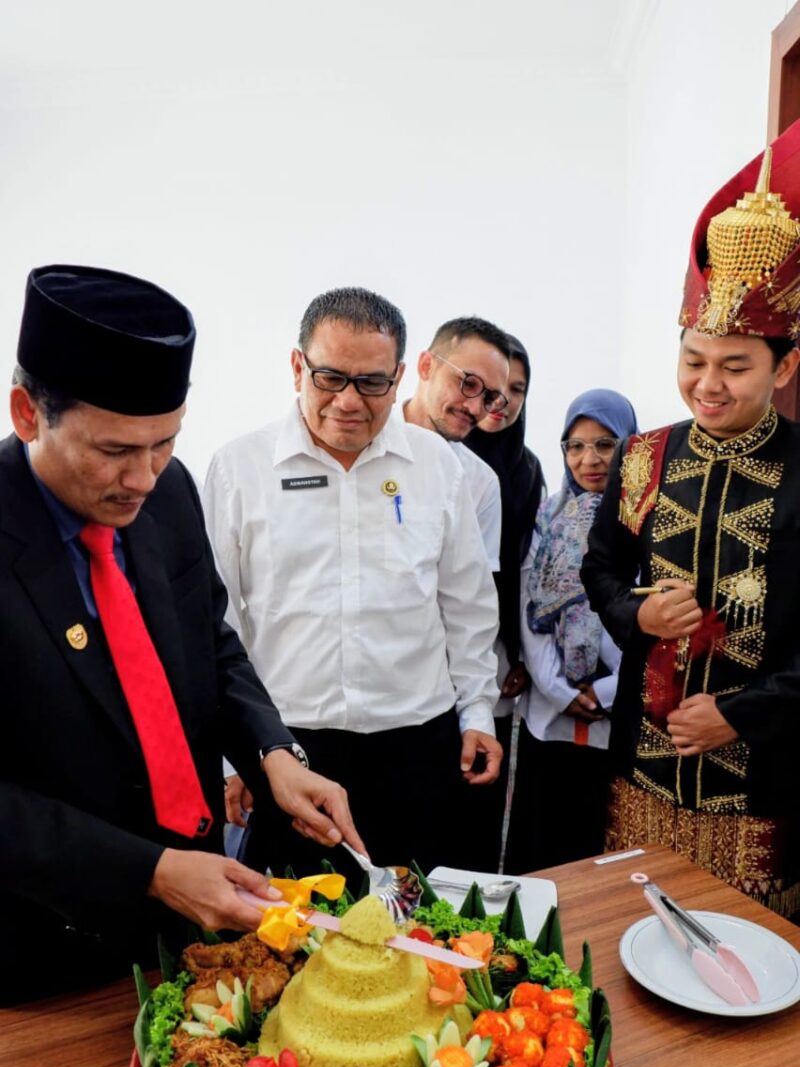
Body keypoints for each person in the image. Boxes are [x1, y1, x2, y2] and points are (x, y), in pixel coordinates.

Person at [1, 264, 363, 1004]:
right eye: (114, 451)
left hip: (197, 923)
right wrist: (148, 870)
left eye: (164, 443)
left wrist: (273, 752)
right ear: (28, 413)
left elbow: (209, 642)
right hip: (48, 952)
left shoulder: (169, 492)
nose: (143, 476)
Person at [203, 287, 501, 879]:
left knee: (418, 930)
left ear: (399, 378)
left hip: (417, 744)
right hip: (289, 748)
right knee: (293, 936)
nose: (348, 401)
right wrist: (230, 757)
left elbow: (467, 606)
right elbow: (216, 622)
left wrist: (477, 714)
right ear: (297, 367)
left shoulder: (437, 465)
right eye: (330, 377)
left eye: (371, 383)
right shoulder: (240, 468)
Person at [582, 123, 800, 916]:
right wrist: (633, 611)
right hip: (641, 768)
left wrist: (738, 716)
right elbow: (598, 569)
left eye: (735, 367)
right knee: (631, 938)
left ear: (786, 367)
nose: (707, 386)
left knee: (752, 970)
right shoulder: (642, 455)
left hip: (762, 785)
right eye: (693, 361)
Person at [504, 390, 638, 874]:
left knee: (604, 857)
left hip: (619, 717)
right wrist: (558, 689)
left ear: (630, 445)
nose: (590, 459)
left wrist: (607, 690)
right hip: (551, 718)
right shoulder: (547, 516)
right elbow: (528, 607)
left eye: (605, 444)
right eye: (575, 446)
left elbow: (649, 620)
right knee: (545, 852)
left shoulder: (647, 521)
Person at [463, 334, 546, 869]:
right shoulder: (445, 456)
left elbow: (523, 571)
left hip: (495, 649)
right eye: (492, 388)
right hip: (435, 651)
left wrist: (517, 653)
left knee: (481, 785)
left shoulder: (527, 468)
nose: (503, 401)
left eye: (517, 389)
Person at [403, 316, 511, 569]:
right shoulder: (361, 443)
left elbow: (472, 595)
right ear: (426, 365)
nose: (475, 408)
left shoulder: (480, 483)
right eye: (467, 383)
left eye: (490, 397)